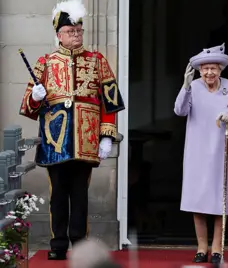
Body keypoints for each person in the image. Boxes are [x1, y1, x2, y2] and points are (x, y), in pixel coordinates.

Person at [19, 0, 125, 260]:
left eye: (79, 31)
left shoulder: (97, 60)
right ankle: (58, 245)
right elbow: (28, 106)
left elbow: (109, 101)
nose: (76, 35)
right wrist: (36, 95)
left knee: (80, 195)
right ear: (58, 35)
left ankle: (79, 245)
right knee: (58, 194)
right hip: (56, 139)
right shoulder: (44, 62)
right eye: (71, 31)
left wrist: (107, 134)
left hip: (87, 138)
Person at [174, 43, 228, 264]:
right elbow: (179, 111)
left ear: (220, 69)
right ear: (198, 70)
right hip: (196, 151)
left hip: (221, 153)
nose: (209, 73)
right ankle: (201, 246)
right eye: (205, 68)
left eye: (213, 68)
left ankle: (217, 248)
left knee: (219, 201)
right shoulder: (193, 87)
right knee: (198, 201)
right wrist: (185, 86)